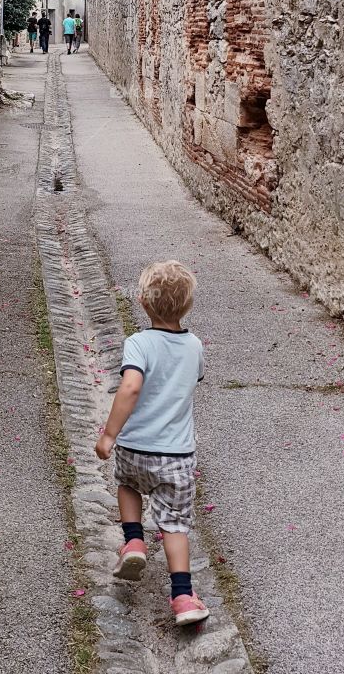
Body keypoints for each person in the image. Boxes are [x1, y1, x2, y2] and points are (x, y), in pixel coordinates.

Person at [94, 261, 208, 627]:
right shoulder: (194, 346)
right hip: (176, 457)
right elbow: (196, 378)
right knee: (175, 524)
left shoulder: (138, 343)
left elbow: (130, 386)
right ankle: (183, 596)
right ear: (188, 304)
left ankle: (134, 541)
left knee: (128, 485)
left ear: (143, 302)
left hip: (134, 449)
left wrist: (109, 434)